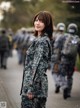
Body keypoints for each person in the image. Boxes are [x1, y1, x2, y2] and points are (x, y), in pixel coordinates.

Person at [20, 11, 53, 108]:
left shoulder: (42, 41)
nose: (37, 23)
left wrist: (31, 89)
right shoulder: (39, 39)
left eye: (41, 21)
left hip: (34, 89)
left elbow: (38, 66)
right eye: (36, 20)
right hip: (36, 87)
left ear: (47, 24)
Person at [59, 23, 80, 99]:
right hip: (73, 61)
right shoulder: (77, 39)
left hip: (64, 59)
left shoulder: (64, 37)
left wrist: (59, 58)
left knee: (62, 74)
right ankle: (68, 92)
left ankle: (64, 86)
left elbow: (59, 48)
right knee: (70, 76)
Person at [51, 23, 66, 93]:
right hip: (63, 57)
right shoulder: (66, 36)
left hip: (55, 56)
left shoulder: (54, 36)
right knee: (61, 72)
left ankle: (57, 83)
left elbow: (51, 46)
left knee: (54, 72)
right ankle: (64, 85)